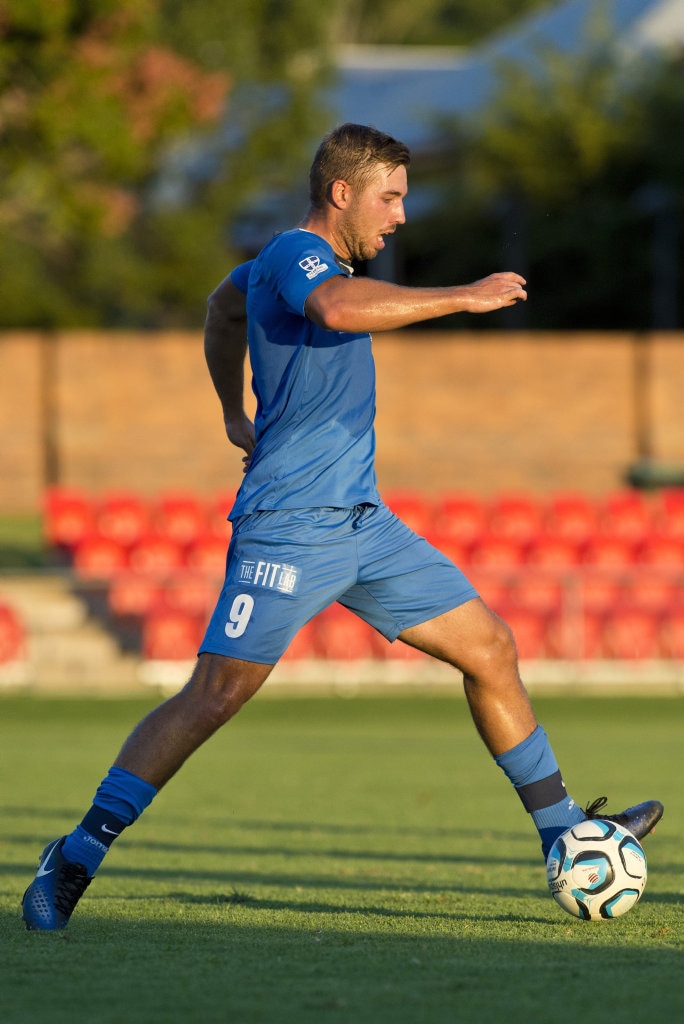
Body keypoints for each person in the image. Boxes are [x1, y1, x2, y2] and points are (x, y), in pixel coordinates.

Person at [22, 123, 663, 931]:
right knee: (214, 696)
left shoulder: (272, 269)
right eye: (389, 196)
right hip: (289, 527)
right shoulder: (297, 254)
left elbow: (223, 308)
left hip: (365, 524)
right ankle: (74, 856)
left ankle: (563, 831)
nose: (399, 215)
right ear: (341, 193)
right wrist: (462, 296)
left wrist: (231, 406)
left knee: (491, 647)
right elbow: (331, 305)